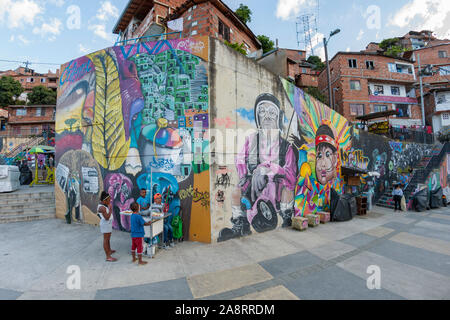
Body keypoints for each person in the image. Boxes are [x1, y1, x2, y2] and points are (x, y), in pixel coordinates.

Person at [97, 191, 117, 262]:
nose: (110, 201)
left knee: (108, 239)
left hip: (108, 224)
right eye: (109, 200)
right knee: (106, 239)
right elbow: (107, 217)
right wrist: (111, 209)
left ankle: (109, 250)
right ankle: (108, 256)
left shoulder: (104, 205)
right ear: (104, 200)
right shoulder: (102, 208)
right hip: (105, 224)